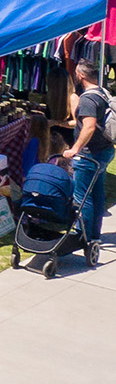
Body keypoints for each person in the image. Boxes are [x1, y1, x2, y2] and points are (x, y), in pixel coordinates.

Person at [62, 59, 112, 251]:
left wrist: (75, 149)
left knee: (83, 197)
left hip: (89, 155)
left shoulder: (88, 99)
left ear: (81, 75)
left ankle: (83, 236)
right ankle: (94, 236)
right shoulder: (103, 93)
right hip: (104, 150)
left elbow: (89, 127)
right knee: (98, 194)